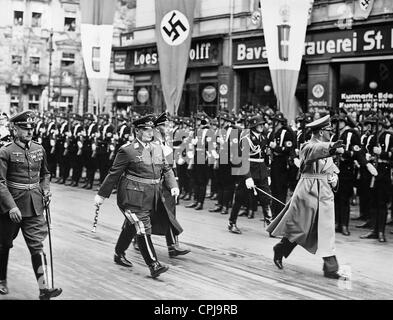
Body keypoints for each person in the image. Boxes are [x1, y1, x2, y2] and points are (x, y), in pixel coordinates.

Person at [94, 114, 181, 278]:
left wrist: (173, 185)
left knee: (131, 225)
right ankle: (153, 264)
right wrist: (102, 195)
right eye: (146, 130)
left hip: (152, 196)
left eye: (151, 129)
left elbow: (166, 169)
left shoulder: (156, 148)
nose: (150, 132)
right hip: (132, 197)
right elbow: (114, 174)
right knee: (142, 226)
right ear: (137, 131)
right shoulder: (128, 150)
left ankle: (119, 253)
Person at [266, 114, 346, 279]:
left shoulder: (326, 147)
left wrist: (334, 178)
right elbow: (315, 152)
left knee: (326, 230)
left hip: (324, 192)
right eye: (328, 130)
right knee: (300, 229)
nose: (331, 133)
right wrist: (331, 147)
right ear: (321, 132)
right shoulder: (307, 146)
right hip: (308, 192)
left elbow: (331, 168)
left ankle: (330, 268)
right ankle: (281, 248)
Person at [0, 110, 62, 299]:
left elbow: (46, 174)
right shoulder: (6, 151)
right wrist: (11, 206)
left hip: (35, 205)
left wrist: (45, 189)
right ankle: (1, 280)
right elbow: (0, 182)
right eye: (24, 128)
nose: (29, 131)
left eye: (31, 128)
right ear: (14, 129)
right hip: (11, 207)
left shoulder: (38, 149)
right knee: (3, 245)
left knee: (37, 246)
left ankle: (45, 288)